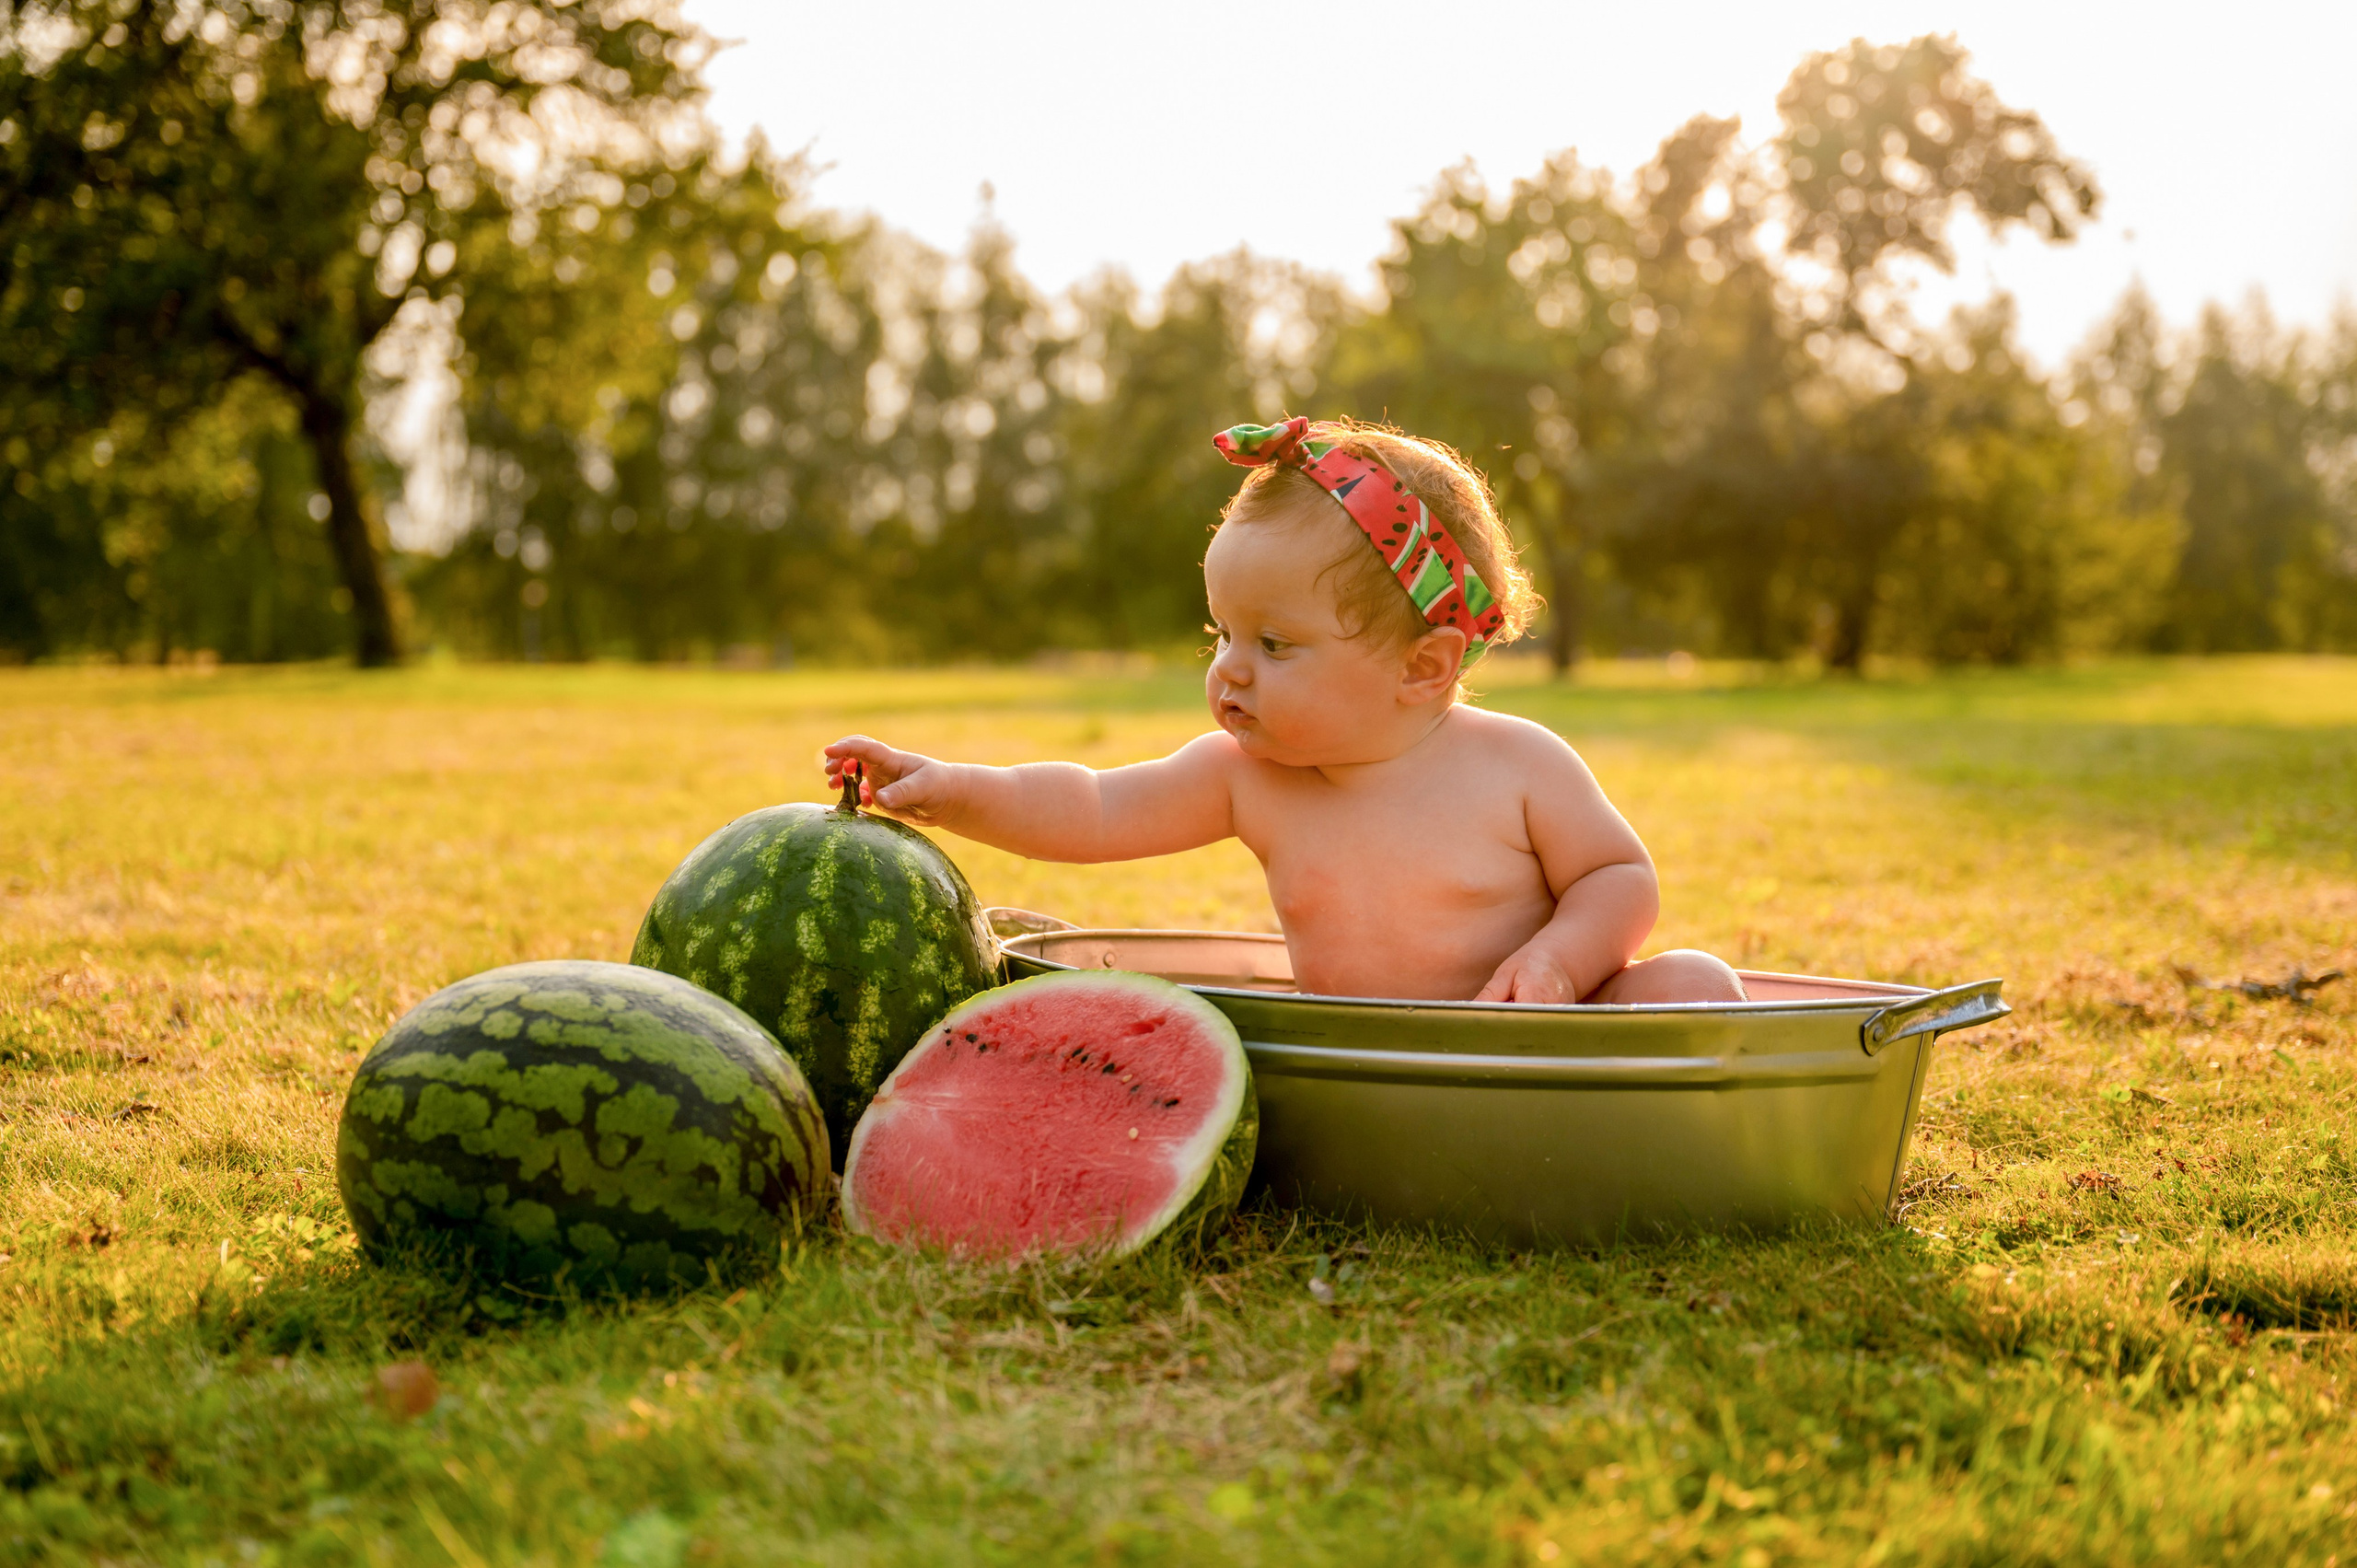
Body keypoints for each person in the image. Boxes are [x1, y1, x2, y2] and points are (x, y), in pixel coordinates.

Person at [825, 417, 1745, 1005]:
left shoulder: (1517, 766)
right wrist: (948, 787)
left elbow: (1620, 879)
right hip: (1374, 1066)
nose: (1229, 670)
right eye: (1220, 632)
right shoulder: (1244, 777)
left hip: (1542, 1043)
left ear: (1423, 665)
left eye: (1273, 644)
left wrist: (1557, 964)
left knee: (1696, 983)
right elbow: (1091, 806)